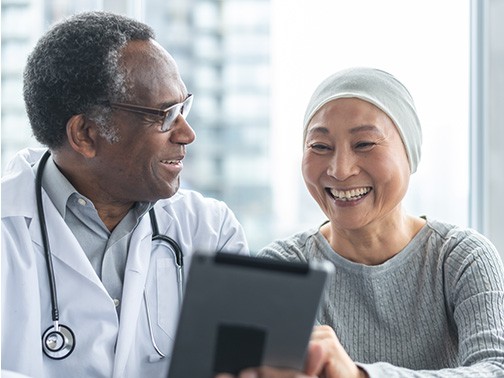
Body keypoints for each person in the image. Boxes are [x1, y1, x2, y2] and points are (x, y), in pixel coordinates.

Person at [1, 11, 248, 378]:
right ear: (85, 134)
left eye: (184, 108)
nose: (186, 133)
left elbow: (247, 364)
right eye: (165, 115)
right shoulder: (9, 232)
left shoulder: (209, 230)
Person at [253, 67, 504, 377]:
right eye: (320, 147)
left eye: (364, 144)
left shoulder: (461, 258)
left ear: (410, 153)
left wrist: (360, 375)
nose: (340, 170)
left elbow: (494, 368)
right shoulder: (281, 268)